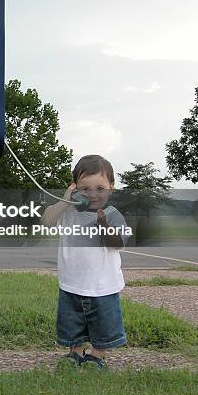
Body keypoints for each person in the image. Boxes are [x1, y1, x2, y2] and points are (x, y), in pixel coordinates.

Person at [41, 154, 129, 369]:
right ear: (75, 188)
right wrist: (64, 200)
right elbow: (47, 221)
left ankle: (97, 355)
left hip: (103, 285)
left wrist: (104, 225)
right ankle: (75, 353)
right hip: (71, 283)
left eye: (100, 188)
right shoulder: (68, 210)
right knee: (72, 322)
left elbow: (118, 243)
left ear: (111, 187)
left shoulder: (112, 214)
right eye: (85, 189)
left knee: (103, 323)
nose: (92, 194)